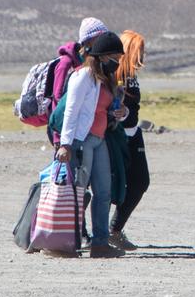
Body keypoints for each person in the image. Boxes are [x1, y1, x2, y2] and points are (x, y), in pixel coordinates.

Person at [55, 30, 128, 258]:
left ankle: (100, 243)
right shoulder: (83, 77)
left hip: (99, 139)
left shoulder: (106, 79)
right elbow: (71, 111)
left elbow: (107, 109)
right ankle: (69, 242)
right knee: (78, 192)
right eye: (114, 57)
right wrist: (65, 144)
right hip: (82, 141)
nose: (117, 61)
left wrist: (122, 113)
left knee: (103, 192)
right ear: (102, 56)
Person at [109, 30, 149, 251]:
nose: (142, 55)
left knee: (140, 181)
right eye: (139, 50)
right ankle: (96, 232)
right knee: (109, 184)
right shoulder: (114, 75)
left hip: (133, 133)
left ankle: (114, 229)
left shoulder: (131, 76)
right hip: (118, 136)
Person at [49, 16, 113, 145]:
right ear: (88, 41)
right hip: (70, 136)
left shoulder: (98, 63)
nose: (104, 41)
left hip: (91, 134)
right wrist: (59, 139)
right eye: (100, 38)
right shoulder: (66, 64)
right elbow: (58, 100)